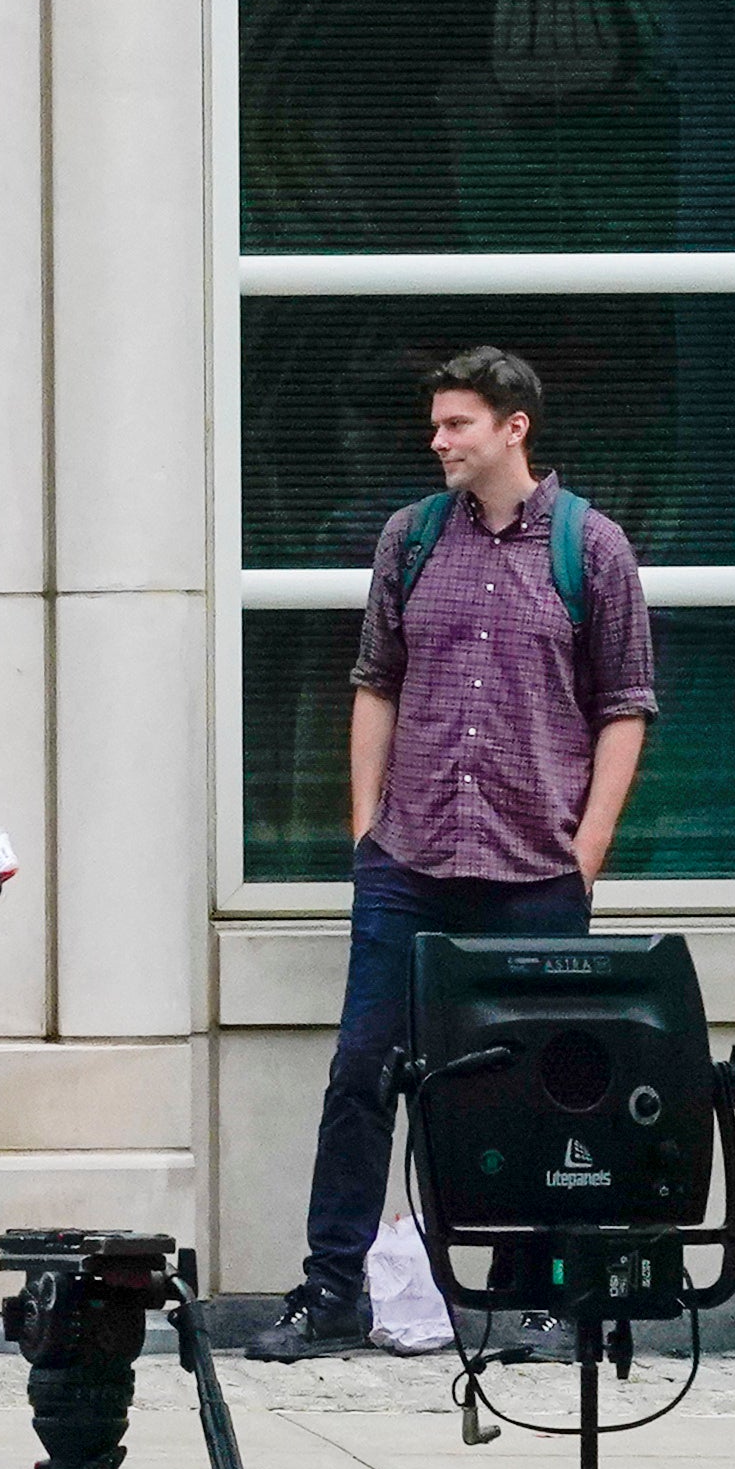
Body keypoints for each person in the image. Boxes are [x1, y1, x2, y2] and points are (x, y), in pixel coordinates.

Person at [251, 345, 660, 1361]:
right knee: (360, 1072)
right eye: (435, 424)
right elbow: (374, 680)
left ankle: (535, 1296)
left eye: (455, 425)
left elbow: (624, 704)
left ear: (512, 427)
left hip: (533, 867)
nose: (436, 441)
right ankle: (330, 1286)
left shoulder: (589, 547)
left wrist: (589, 843)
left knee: (541, 1085)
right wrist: (364, 826)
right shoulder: (411, 538)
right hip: (411, 854)